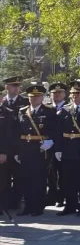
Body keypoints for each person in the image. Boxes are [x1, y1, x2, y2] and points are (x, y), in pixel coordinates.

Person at [16, 84, 58, 216]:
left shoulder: (49, 111)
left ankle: (38, 206)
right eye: (31, 97)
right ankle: (28, 206)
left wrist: (50, 141)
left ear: (42, 97)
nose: (34, 99)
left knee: (39, 179)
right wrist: (17, 151)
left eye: (37, 97)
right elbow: (17, 131)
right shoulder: (23, 111)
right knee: (25, 178)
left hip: (40, 148)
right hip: (25, 148)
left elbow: (54, 129)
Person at [55, 81, 80, 217]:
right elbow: (58, 131)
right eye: (72, 93)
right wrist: (58, 148)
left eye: (77, 93)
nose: (74, 96)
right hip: (67, 148)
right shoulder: (65, 109)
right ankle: (70, 205)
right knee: (67, 179)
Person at [3, 76, 28, 210]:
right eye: (13, 85)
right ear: (6, 87)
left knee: (19, 176)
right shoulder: (2, 102)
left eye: (18, 85)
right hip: (4, 147)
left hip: (19, 146)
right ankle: (5, 202)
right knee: (4, 178)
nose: (17, 88)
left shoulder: (25, 102)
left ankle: (16, 202)